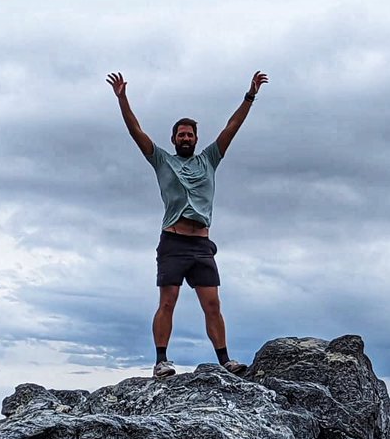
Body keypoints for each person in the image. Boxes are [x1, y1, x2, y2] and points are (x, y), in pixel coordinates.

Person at [106, 69, 268, 379]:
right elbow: (135, 130)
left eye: (190, 134)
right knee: (167, 301)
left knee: (212, 305)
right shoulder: (162, 160)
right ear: (173, 139)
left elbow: (232, 127)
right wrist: (123, 99)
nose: (185, 138)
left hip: (201, 245)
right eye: (181, 134)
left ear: (195, 139)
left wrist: (250, 95)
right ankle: (161, 361)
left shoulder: (209, 159)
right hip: (173, 242)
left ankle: (226, 361)